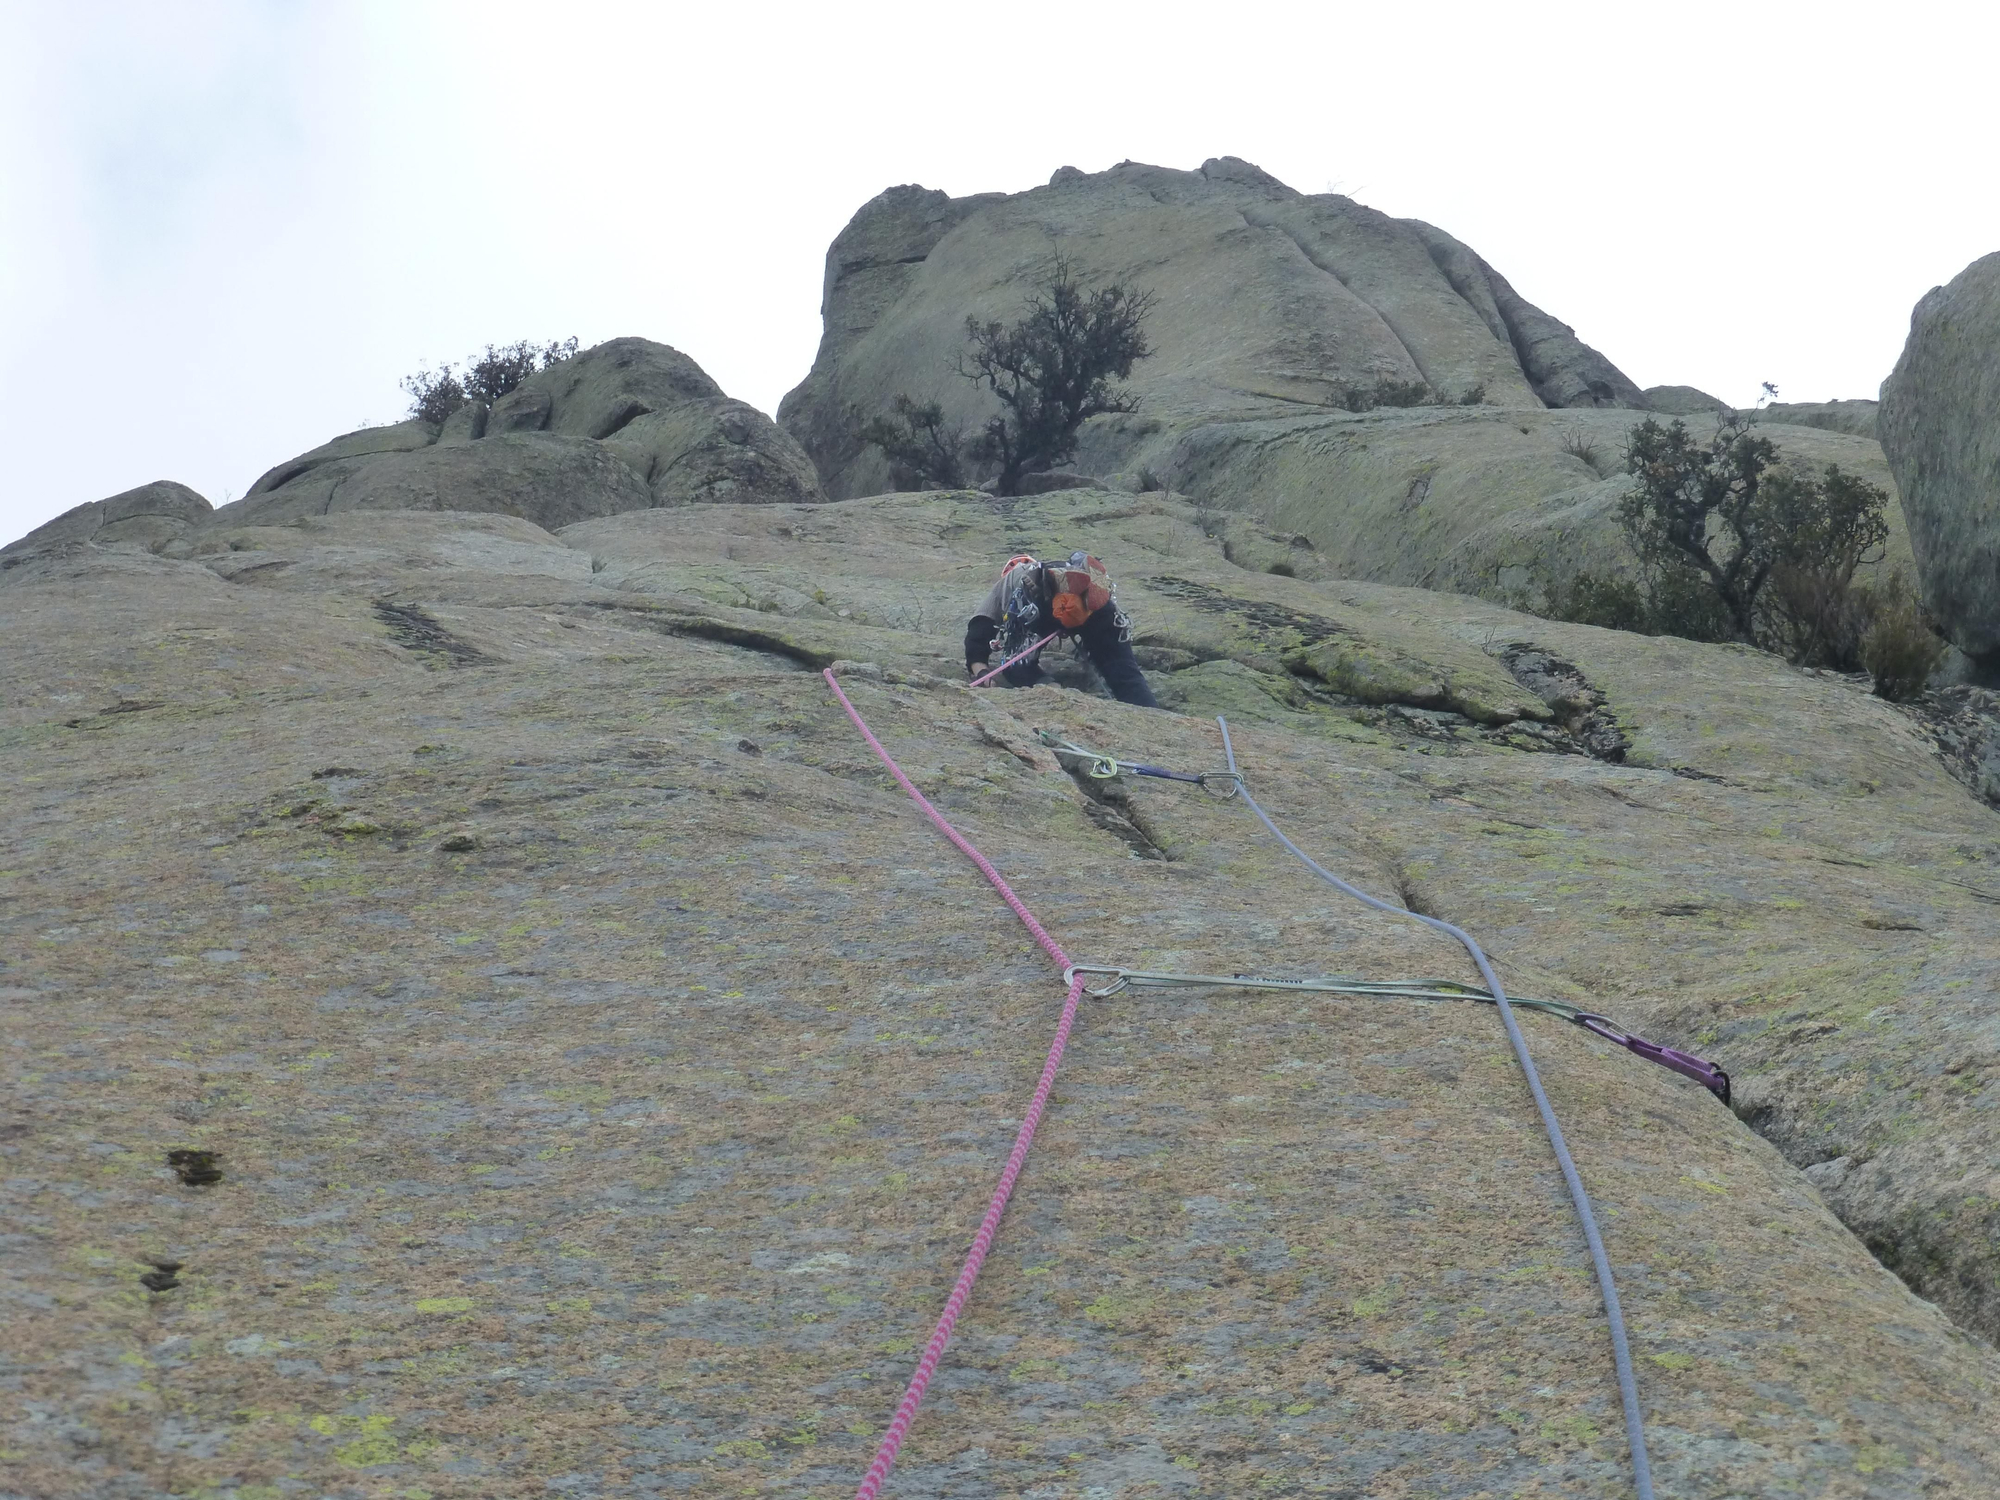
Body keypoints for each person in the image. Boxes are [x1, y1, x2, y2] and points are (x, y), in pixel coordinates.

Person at [964, 551, 1157, 707]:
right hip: (1090, 608)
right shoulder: (1042, 570)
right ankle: (1149, 712)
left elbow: (979, 627)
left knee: (1018, 667)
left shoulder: (1009, 582)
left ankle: (1051, 687)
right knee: (1122, 669)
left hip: (1038, 605)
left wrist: (980, 670)